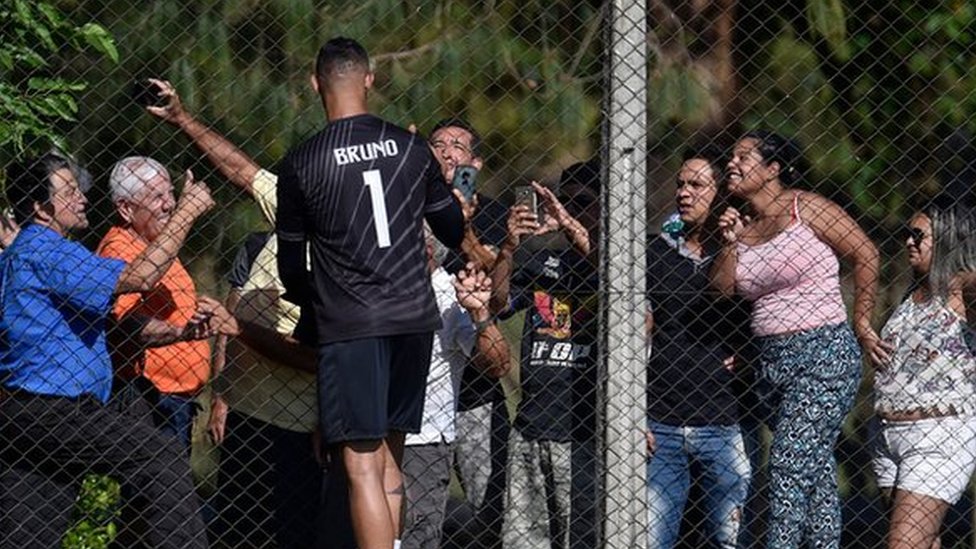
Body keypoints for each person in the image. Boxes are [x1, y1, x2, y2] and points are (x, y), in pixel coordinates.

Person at [275, 37, 464, 549]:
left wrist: (314, 303)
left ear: (316, 85)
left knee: (358, 466)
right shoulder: (411, 149)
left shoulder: (302, 163)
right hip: (414, 318)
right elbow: (450, 229)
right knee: (389, 456)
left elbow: (291, 266)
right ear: (370, 79)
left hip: (354, 324)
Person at [0, 152, 217, 548]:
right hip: (54, 408)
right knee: (162, 460)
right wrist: (186, 212)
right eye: (68, 192)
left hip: (32, 411)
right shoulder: (48, 251)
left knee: (29, 530)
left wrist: (180, 330)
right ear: (39, 207)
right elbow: (140, 276)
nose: (82, 198)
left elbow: (119, 323)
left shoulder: (33, 250)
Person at [144, 78, 324, 548]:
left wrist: (239, 327)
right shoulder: (293, 211)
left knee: (287, 536)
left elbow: (317, 357)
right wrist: (183, 119)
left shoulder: (336, 255)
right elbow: (239, 169)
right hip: (247, 415)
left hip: (295, 429)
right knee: (236, 534)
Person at [711, 130, 884, 548]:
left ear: (773, 169)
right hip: (770, 366)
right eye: (730, 157)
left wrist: (861, 322)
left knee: (786, 466)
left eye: (744, 157)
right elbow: (720, 291)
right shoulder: (741, 225)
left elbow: (866, 254)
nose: (731, 164)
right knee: (817, 475)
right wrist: (729, 243)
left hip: (823, 355)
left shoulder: (804, 207)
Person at [645, 145, 752, 548]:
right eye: (680, 184)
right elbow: (640, 334)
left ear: (723, 192)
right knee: (654, 539)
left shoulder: (748, 251)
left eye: (697, 185)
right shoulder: (655, 253)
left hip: (723, 421)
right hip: (661, 421)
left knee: (727, 539)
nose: (684, 193)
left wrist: (751, 356)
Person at [491, 161, 598, 549]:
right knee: (524, 540)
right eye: (564, 202)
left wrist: (573, 229)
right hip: (532, 427)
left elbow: (625, 298)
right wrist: (508, 247)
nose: (569, 211)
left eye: (582, 203)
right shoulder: (544, 264)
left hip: (584, 434)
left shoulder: (620, 269)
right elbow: (498, 302)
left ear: (605, 207)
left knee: (582, 538)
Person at [98, 156, 227, 449]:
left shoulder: (155, 244)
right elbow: (126, 325)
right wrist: (181, 332)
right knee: (163, 491)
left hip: (176, 401)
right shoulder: (121, 249)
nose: (170, 203)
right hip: (147, 399)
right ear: (126, 209)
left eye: (170, 192)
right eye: (156, 196)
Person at [427, 117, 511, 547]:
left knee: (490, 502)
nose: (446, 152)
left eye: (457, 145)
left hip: (475, 386)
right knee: (421, 501)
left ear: (474, 162)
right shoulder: (411, 205)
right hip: (424, 376)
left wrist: (463, 226)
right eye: (437, 144)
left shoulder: (492, 212)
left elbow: (499, 289)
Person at [872, 205, 976, 549]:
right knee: (925, 541)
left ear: (947, 241)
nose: (908, 242)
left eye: (919, 235)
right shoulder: (912, 293)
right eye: (908, 233)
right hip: (889, 437)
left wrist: (963, 269)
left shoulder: (961, 293)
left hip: (937, 436)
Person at [401, 229, 511, 549]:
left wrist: (479, 313)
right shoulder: (376, 287)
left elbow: (498, 365)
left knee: (415, 537)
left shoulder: (449, 295)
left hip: (422, 440)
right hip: (368, 430)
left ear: (428, 252)